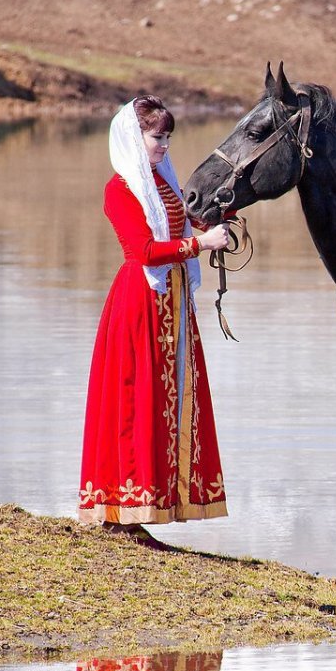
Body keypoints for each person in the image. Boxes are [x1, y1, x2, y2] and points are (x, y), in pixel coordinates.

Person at [79, 95, 233, 546]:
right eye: (156, 137)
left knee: (164, 399)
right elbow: (144, 251)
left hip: (170, 303)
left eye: (167, 137)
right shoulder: (120, 189)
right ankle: (123, 508)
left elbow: (177, 228)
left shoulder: (160, 183)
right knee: (135, 399)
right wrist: (200, 246)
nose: (164, 145)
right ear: (134, 136)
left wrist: (207, 228)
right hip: (140, 302)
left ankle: (149, 505)